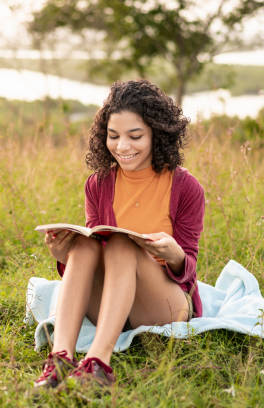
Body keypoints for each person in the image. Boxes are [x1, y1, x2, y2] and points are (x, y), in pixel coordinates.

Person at [34, 80, 205, 388]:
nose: (122, 146)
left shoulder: (186, 187)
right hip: (112, 305)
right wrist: (63, 255)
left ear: (157, 133)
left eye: (135, 136)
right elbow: (96, 251)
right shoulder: (98, 184)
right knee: (87, 246)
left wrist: (174, 255)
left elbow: (189, 265)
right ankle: (60, 358)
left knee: (122, 245)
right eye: (113, 136)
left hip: (163, 304)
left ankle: (98, 363)